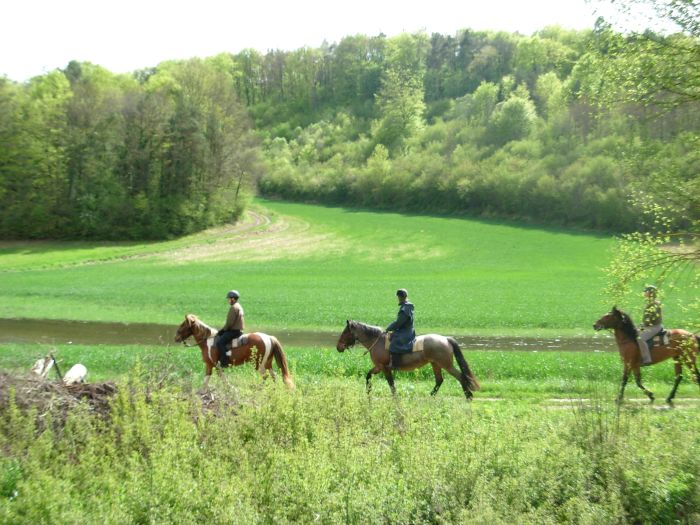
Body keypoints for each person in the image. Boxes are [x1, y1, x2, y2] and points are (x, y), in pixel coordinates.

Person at [385, 288, 416, 369]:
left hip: (405, 332)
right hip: (407, 330)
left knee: (394, 342)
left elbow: (398, 323)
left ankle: (396, 365)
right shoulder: (407, 306)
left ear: (400, 297)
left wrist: (388, 328)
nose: (398, 298)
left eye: (398, 297)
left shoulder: (405, 308)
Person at [216, 290, 245, 367]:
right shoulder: (239, 306)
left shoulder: (233, 308)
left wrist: (222, 330)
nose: (228, 300)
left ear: (233, 299)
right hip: (239, 331)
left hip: (233, 331)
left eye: (229, 298)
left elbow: (229, 323)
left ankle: (224, 361)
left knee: (220, 342)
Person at [637, 284, 662, 366]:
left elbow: (651, 319)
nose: (644, 293)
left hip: (654, 327)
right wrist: (641, 326)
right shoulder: (650, 303)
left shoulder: (654, 304)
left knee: (640, 339)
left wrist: (643, 326)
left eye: (646, 292)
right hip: (648, 326)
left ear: (651, 293)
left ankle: (646, 359)